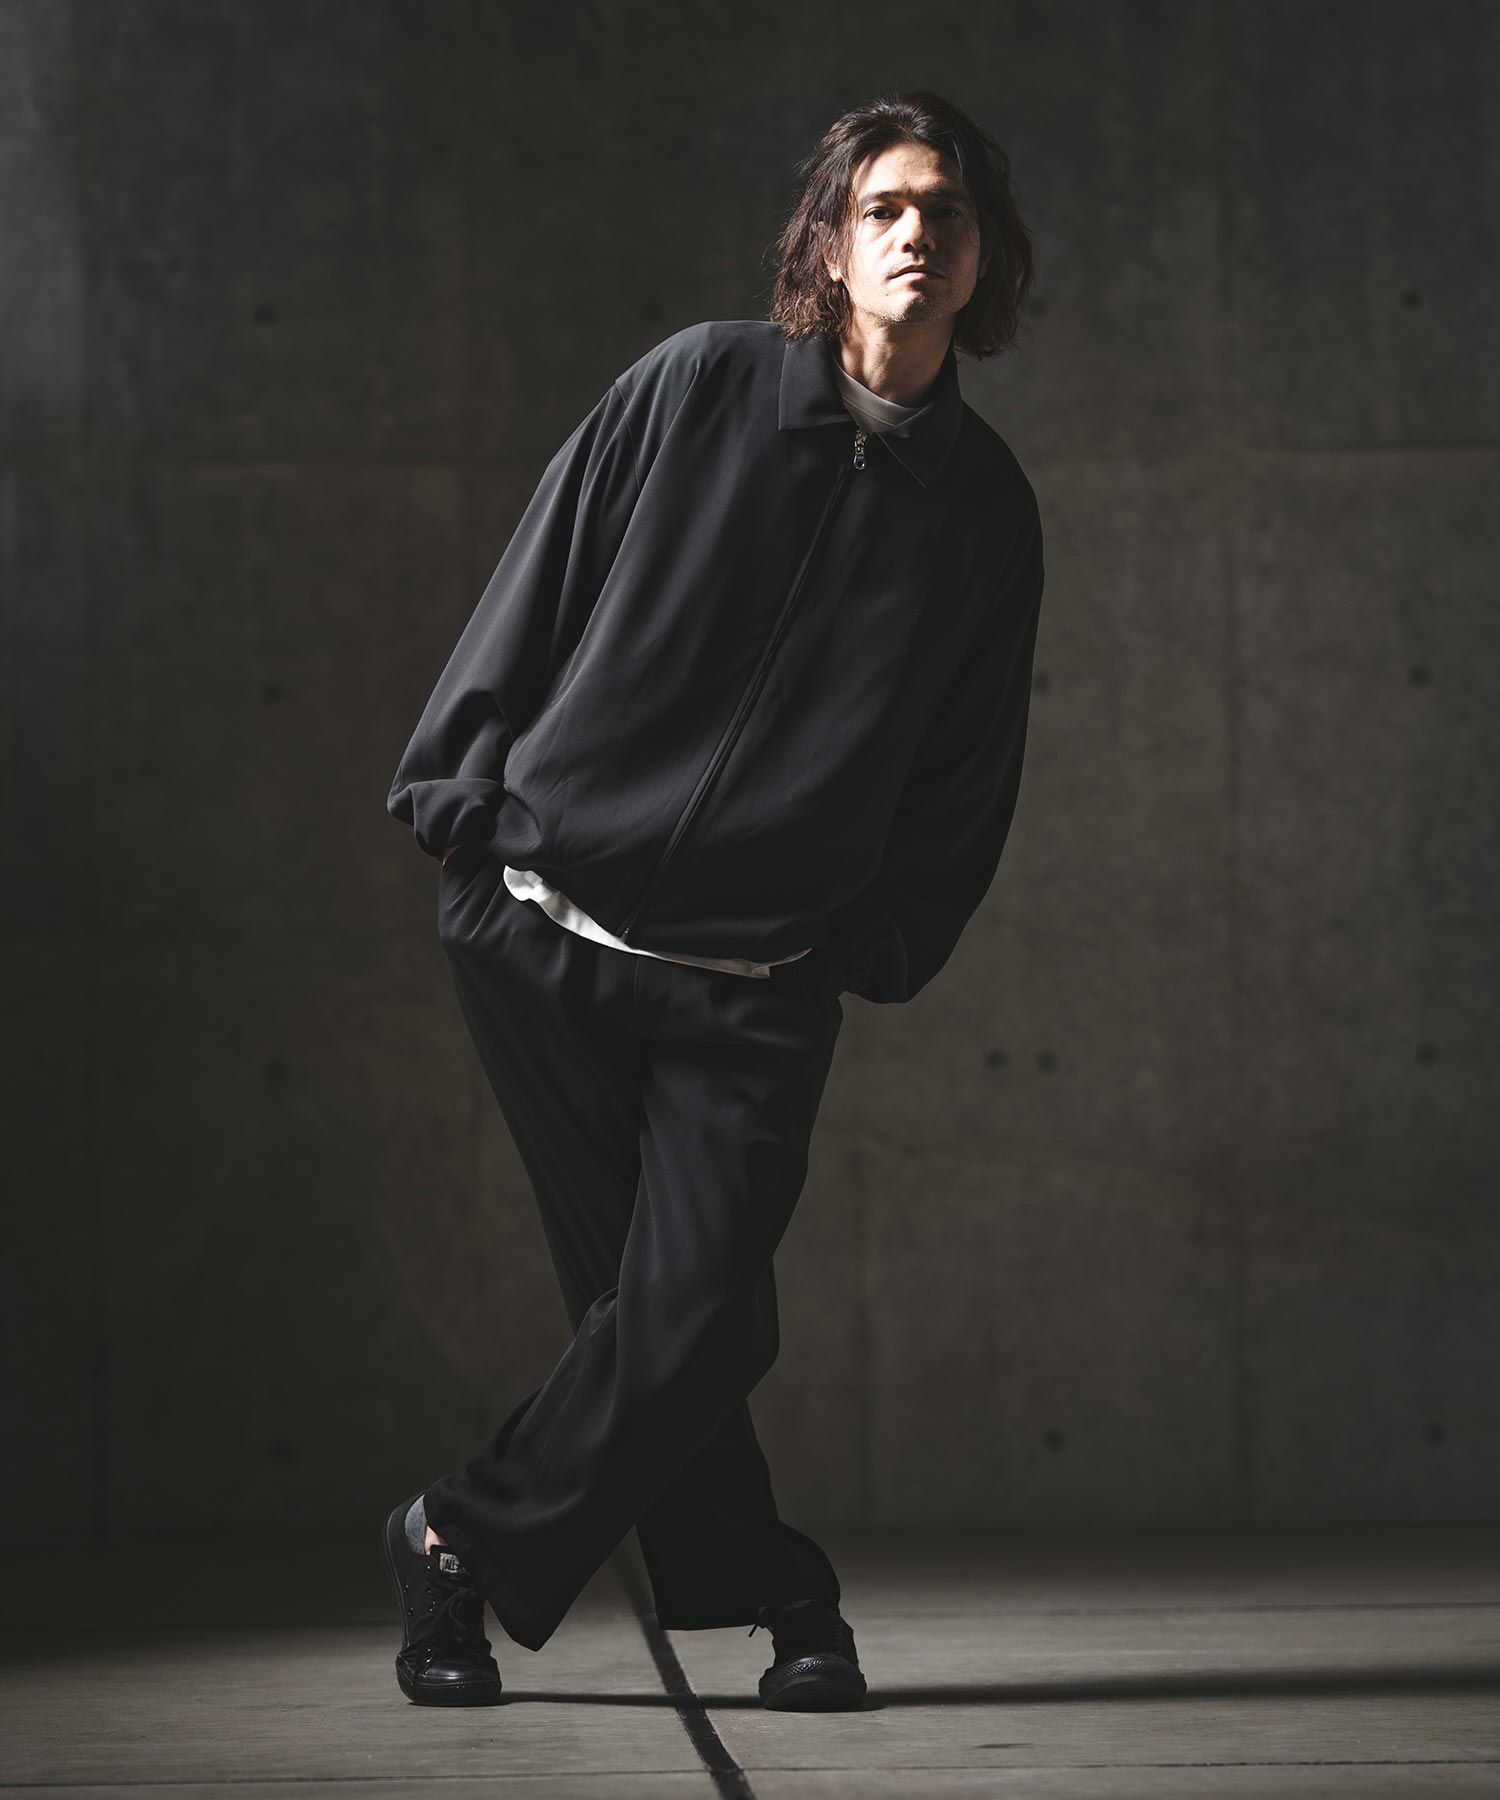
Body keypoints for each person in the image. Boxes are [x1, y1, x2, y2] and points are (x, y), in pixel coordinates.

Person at [381, 88, 1043, 1711]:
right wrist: (459, 787)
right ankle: (776, 1597)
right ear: (832, 242)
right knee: (657, 1325)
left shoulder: (985, 506)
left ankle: (455, 1544)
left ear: (983, 258)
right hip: (543, 928)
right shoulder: (695, 385)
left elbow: (970, 761)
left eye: (947, 212)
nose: (916, 233)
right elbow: (543, 570)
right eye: (884, 207)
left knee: (691, 1322)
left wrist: (881, 938)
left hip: (754, 979)